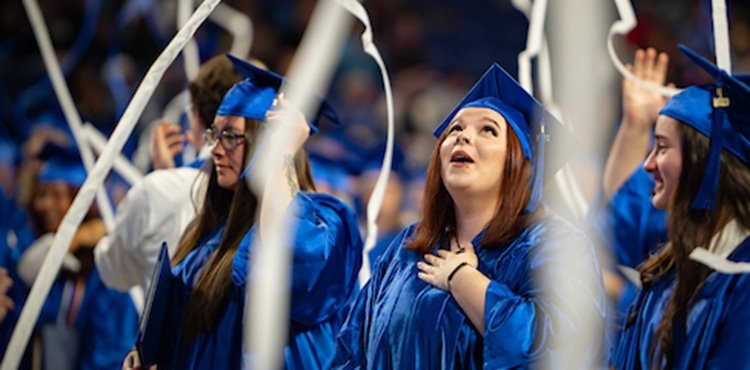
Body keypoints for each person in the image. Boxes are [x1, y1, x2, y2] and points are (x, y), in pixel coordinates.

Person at [333, 64, 604, 369]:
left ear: (523, 166)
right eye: (456, 129)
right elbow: (352, 350)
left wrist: (464, 281)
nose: (463, 137)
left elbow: (562, 347)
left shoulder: (552, 246)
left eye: (488, 130)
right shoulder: (408, 248)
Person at [122, 55, 362, 370]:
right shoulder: (208, 234)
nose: (216, 148)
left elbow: (285, 266)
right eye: (215, 134)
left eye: (232, 136)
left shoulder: (325, 227)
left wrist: (280, 154)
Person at [612, 45, 750, 369]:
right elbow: (618, 223)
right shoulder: (671, 264)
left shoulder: (741, 276)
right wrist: (634, 126)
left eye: (661, 147)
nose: (647, 165)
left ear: (704, 161)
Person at [94, 55, 243, 294]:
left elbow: (114, 271)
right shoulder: (272, 197)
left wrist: (163, 180)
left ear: (194, 117)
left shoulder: (159, 190)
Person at [17, 142, 138, 370]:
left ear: (78, 201)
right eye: (41, 194)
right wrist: (74, 239)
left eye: (57, 195)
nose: (45, 204)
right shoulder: (28, 243)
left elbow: (110, 346)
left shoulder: (104, 263)